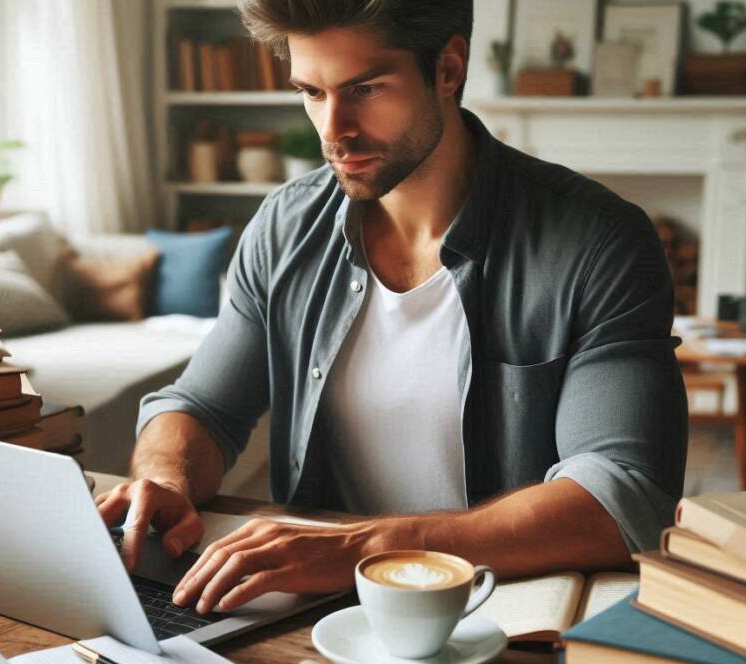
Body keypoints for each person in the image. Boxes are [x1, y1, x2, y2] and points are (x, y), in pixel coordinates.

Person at [96, 0, 687, 616]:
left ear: (449, 68)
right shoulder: (283, 227)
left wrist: (362, 548)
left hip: (497, 613)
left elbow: (621, 496)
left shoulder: (599, 242)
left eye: (365, 89)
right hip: (316, 614)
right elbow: (202, 406)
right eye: (311, 92)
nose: (333, 129)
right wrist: (167, 478)